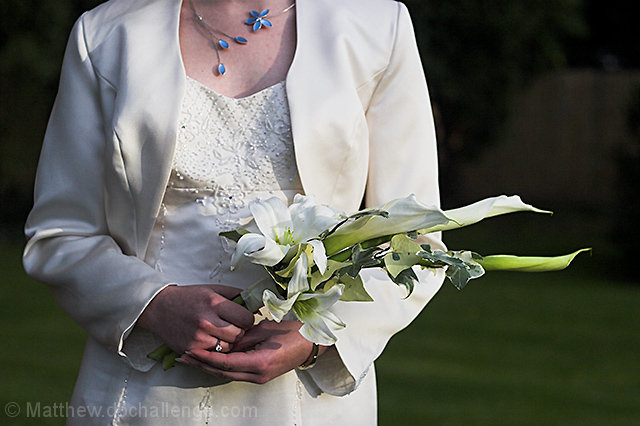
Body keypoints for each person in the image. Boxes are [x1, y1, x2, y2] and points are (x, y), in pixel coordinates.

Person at [23, 0, 445, 424]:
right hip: (144, 389)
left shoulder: (376, 26)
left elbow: (416, 241)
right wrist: (152, 304)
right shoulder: (107, 33)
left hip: (306, 397)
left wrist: (318, 336)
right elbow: (61, 233)